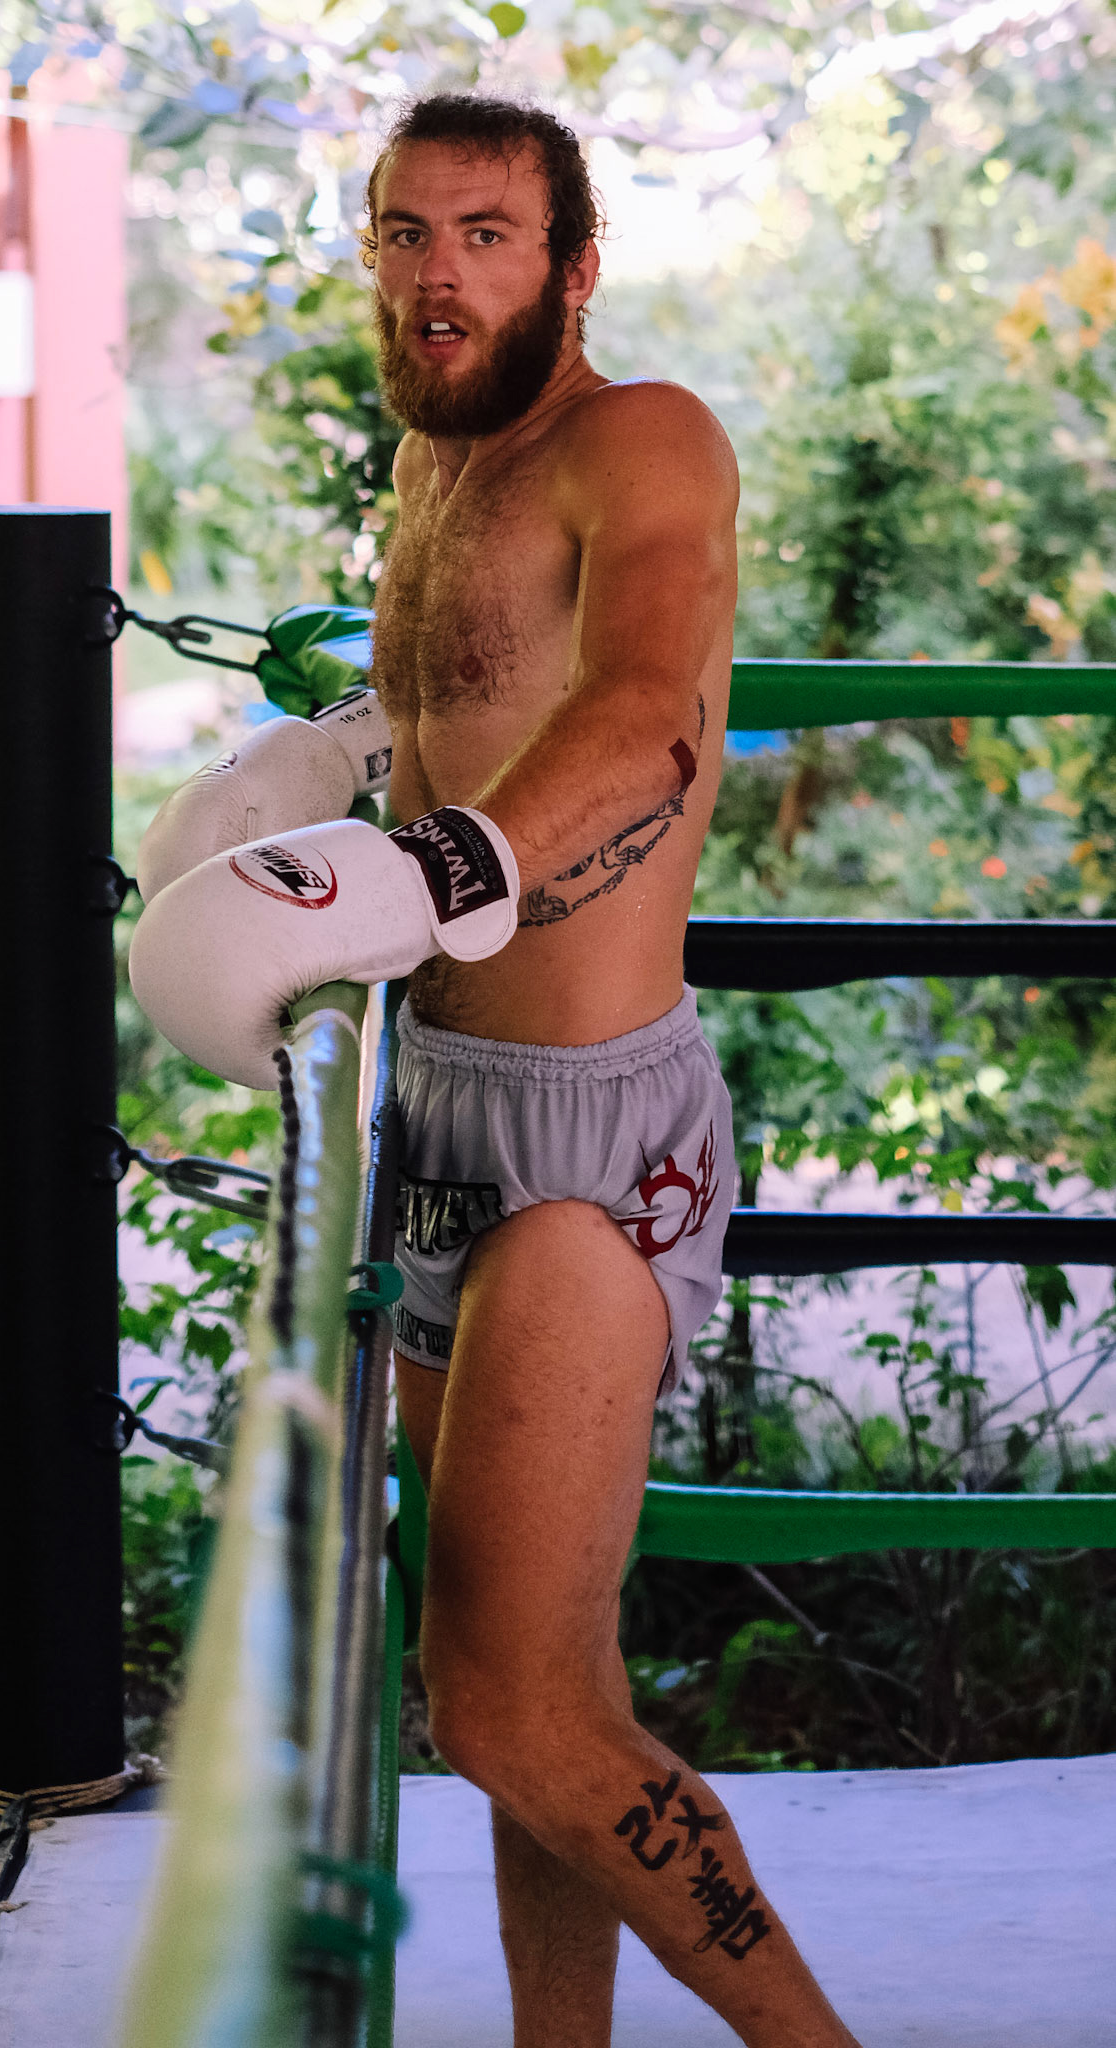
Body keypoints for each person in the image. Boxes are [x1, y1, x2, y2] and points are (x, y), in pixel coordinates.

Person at [131, 91, 861, 2048]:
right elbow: (454, 709)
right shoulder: (429, 465)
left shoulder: (642, 441)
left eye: (481, 233)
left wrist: (448, 864)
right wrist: (327, 782)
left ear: (570, 265)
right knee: (536, 1683)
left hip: (583, 1143)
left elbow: (643, 717)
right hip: (442, 1122)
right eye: (401, 232)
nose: (434, 269)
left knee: (505, 1701)